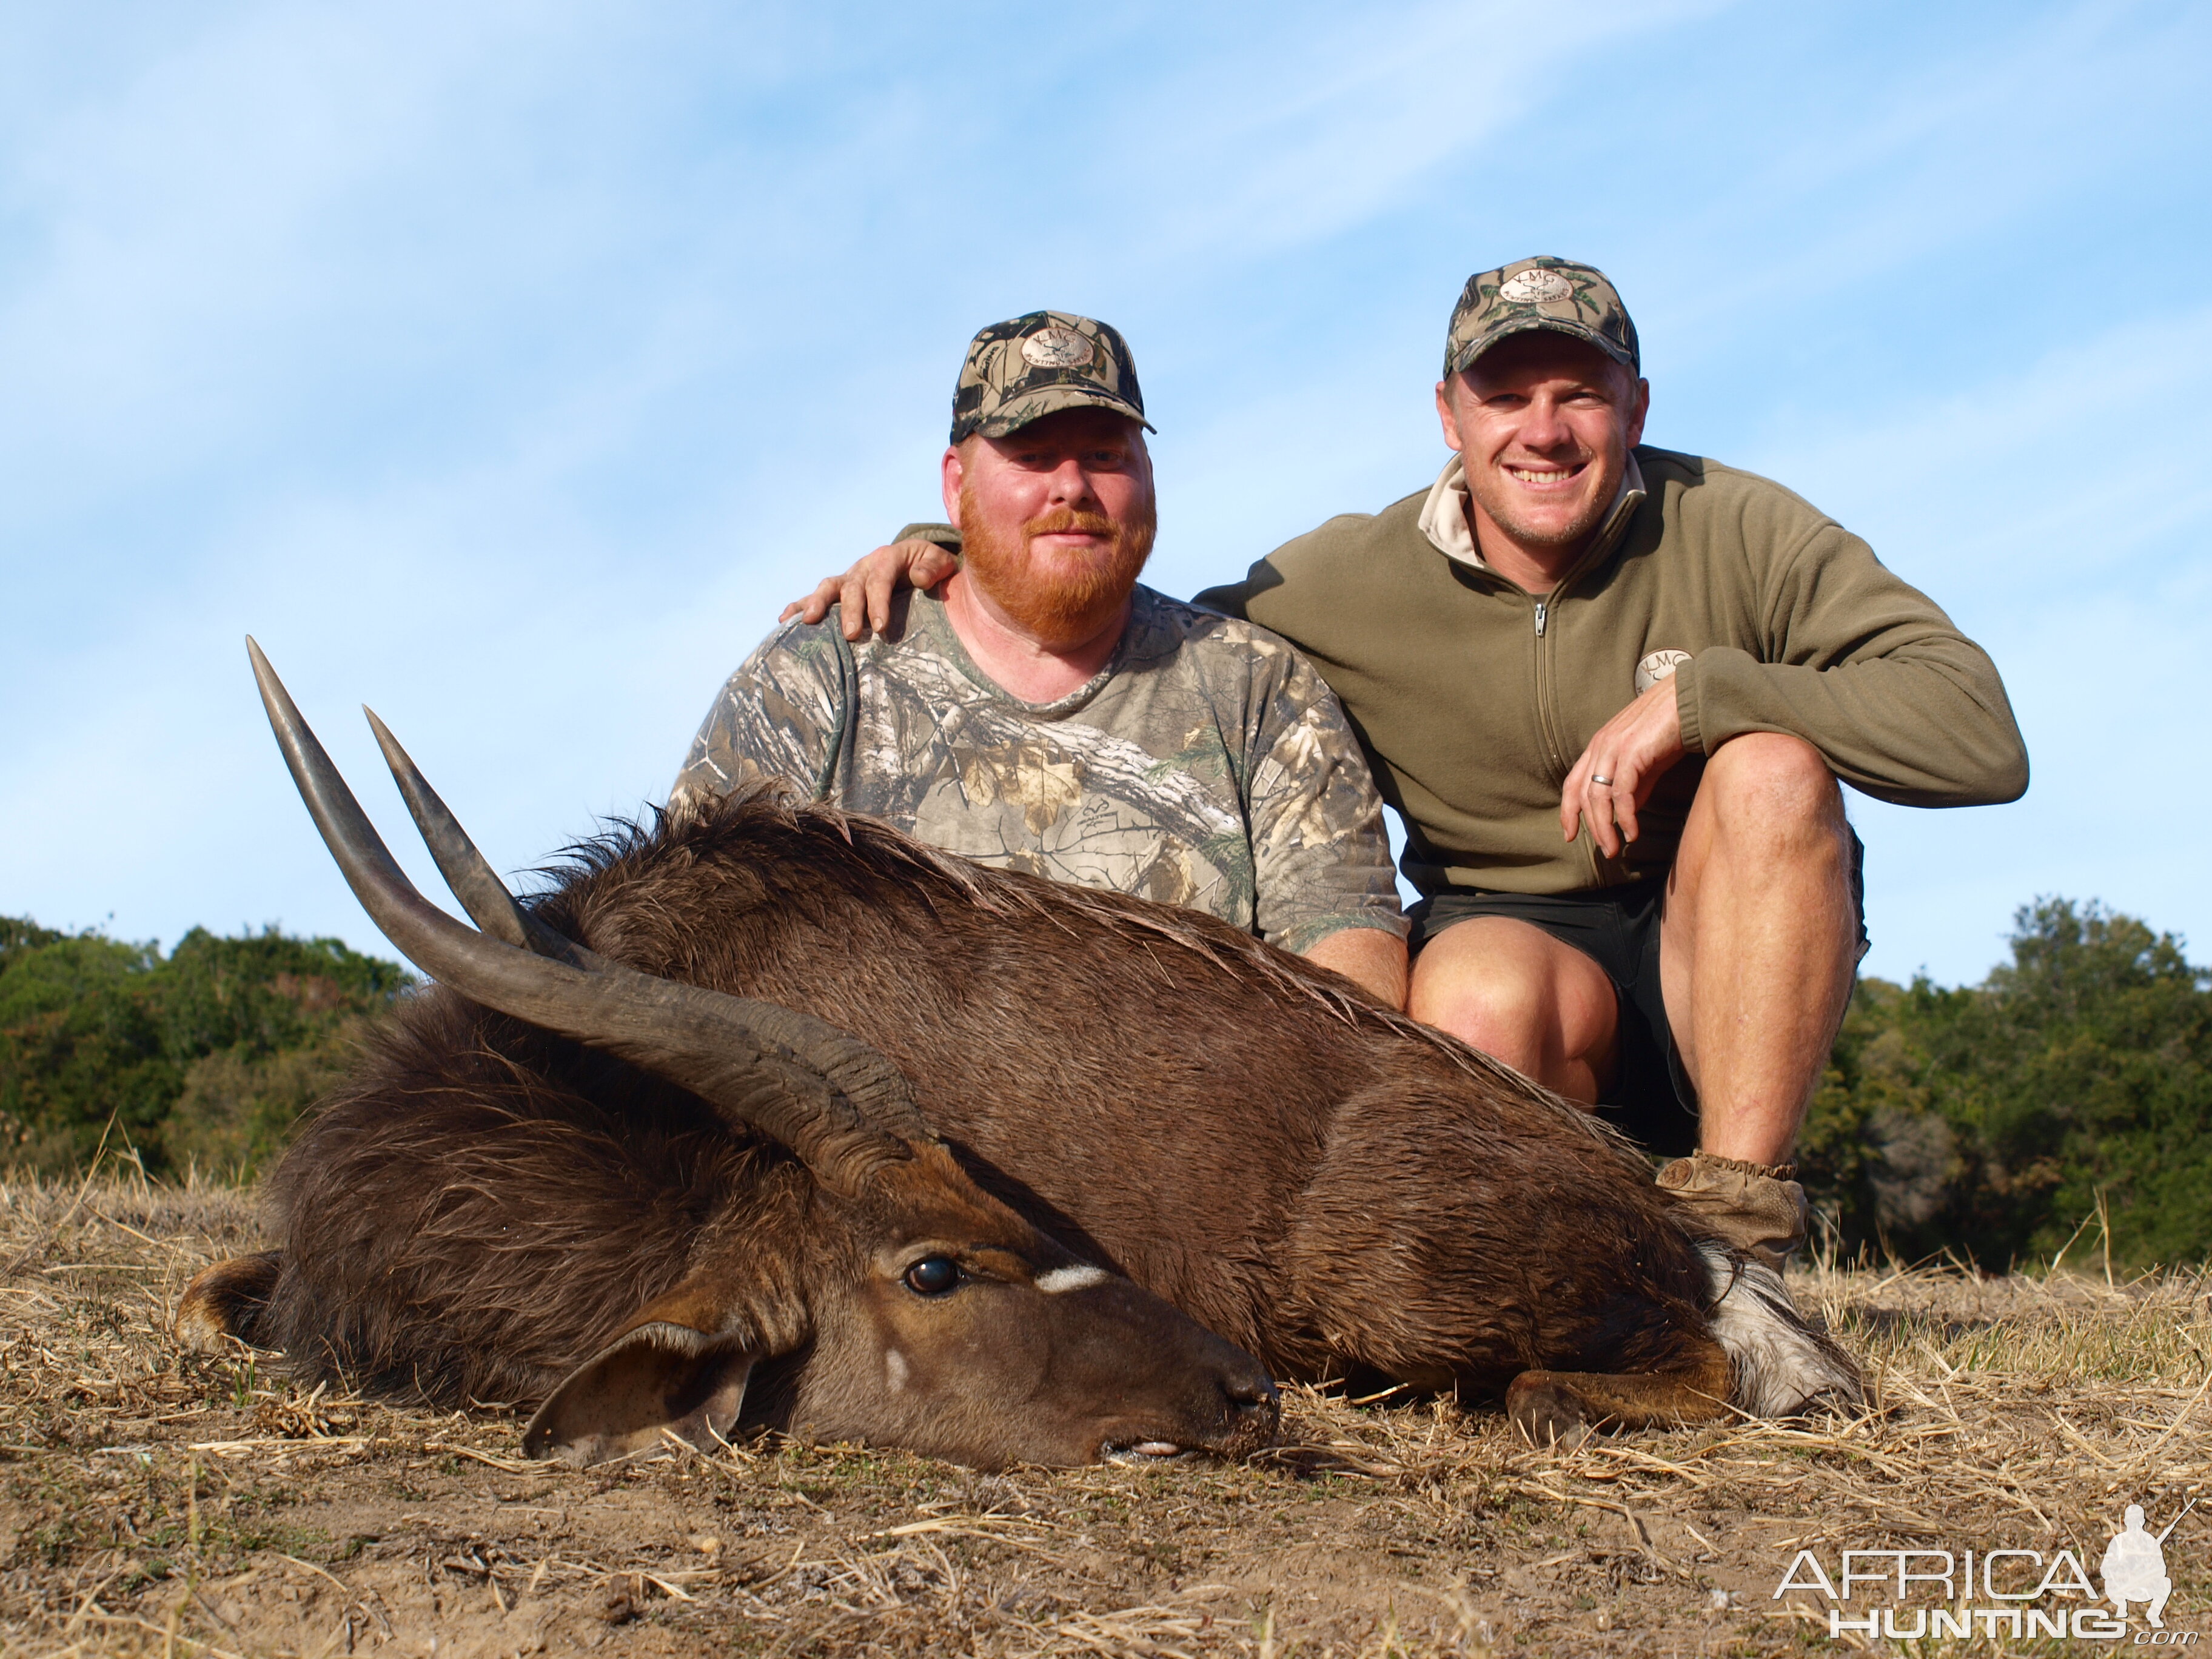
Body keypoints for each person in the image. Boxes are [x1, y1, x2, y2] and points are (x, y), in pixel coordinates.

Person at [783, 261, 2029, 1264]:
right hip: (1518, 962)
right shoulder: (1341, 580)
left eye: (1580, 393)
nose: (1543, 430)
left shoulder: (1742, 527)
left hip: (1721, 945)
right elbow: (1133, 616)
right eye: (1505, 395)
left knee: (1772, 772)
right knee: (1473, 993)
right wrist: (953, 553)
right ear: (1450, 416)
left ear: (1636, 409)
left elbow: (1978, 732)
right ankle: (1566, 1261)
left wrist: (1703, 701)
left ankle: (1742, 1235)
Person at [675, 310, 1409, 1007]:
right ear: (956, 487)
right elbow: (687, 935)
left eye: (1104, 455)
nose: (1072, 486)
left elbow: (1351, 954)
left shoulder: (1258, 685)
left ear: (1149, 474)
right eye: (1030, 456)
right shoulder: (820, 673)